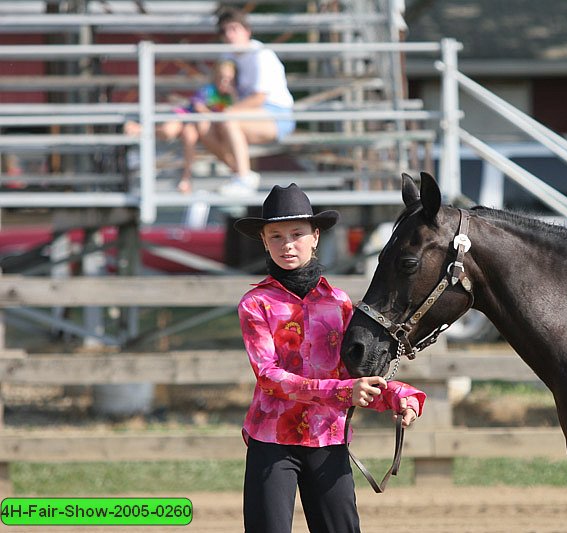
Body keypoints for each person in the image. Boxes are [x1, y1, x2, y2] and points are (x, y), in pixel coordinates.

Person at [233, 183, 425, 533]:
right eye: (275, 236)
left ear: (316, 236)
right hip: (271, 440)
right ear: (263, 241)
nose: (287, 244)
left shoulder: (339, 304)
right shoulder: (255, 304)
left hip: (329, 437)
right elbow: (269, 377)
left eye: (296, 234)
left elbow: (352, 373)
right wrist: (342, 393)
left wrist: (398, 395)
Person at [205, 7, 296, 196]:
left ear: (247, 30)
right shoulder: (227, 57)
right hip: (248, 113)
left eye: (234, 28)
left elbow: (259, 98)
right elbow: (216, 94)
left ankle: (244, 178)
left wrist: (226, 111)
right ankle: (242, 174)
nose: (229, 35)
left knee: (228, 120)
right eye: (224, 31)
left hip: (276, 114)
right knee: (202, 126)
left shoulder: (262, 55)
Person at [124, 60, 237, 193]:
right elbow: (198, 107)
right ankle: (140, 129)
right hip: (186, 117)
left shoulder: (230, 96)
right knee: (168, 131)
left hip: (195, 126)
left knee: (190, 138)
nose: (224, 82)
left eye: (229, 79)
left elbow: (233, 108)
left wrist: (233, 95)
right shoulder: (209, 90)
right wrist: (213, 117)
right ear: (215, 76)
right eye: (221, 78)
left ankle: (186, 179)